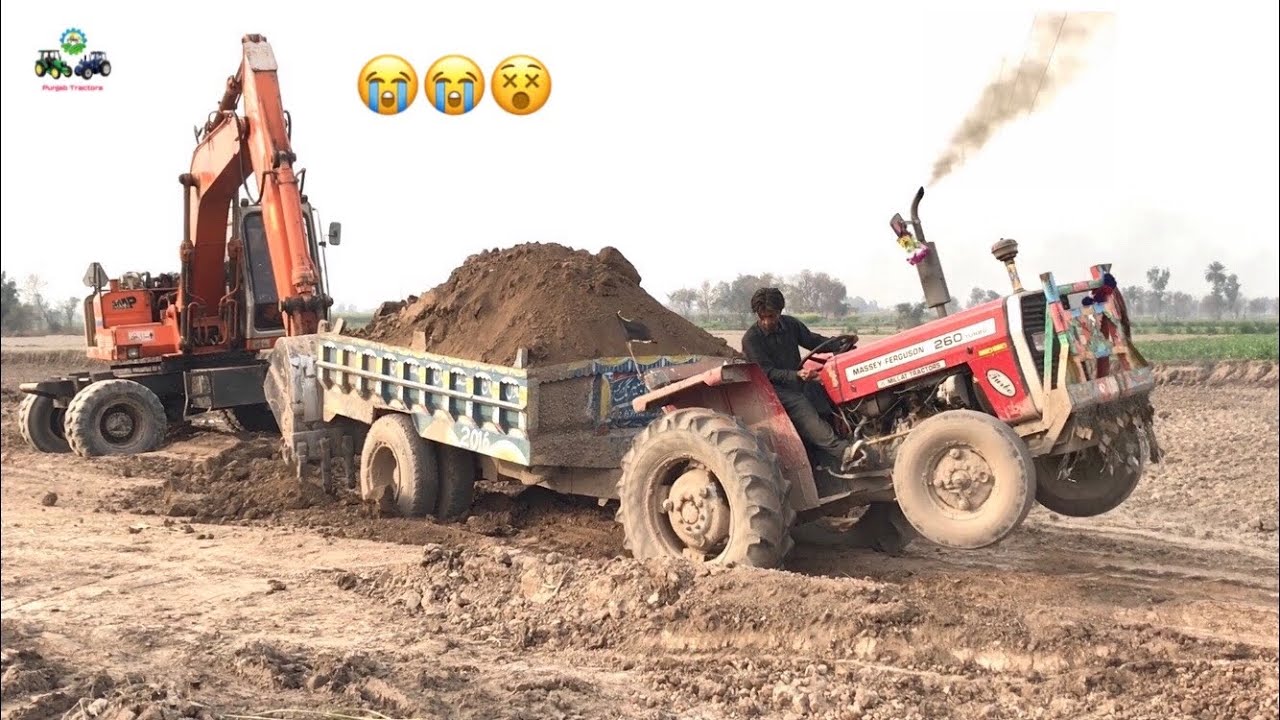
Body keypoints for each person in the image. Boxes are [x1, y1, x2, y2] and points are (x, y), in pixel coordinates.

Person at [741, 287, 859, 472]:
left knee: (828, 392)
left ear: (780, 312)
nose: (767, 321)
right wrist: (795, 375)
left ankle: (852, 435)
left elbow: (813, 341)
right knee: (801, 405)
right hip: (772, 389)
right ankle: (844, 452)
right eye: (762, 316)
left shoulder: (791, 325)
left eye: (771, 316)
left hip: (797, 380)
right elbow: (766, 372)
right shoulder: (751, 339)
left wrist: (839, 343)